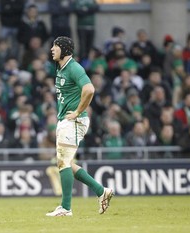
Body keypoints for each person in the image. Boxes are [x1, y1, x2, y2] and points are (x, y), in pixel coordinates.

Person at [46, 37, 113, 217]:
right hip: (65, 120)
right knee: (67, 163)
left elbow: (89, 89)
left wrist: (77, 111)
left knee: (63, 162)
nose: (52, 49)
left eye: (55, 46)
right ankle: (101, 191)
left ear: (65, 49)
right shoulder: (61, 67)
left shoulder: (74, 67)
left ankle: (66, 207)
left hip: (74, 121)